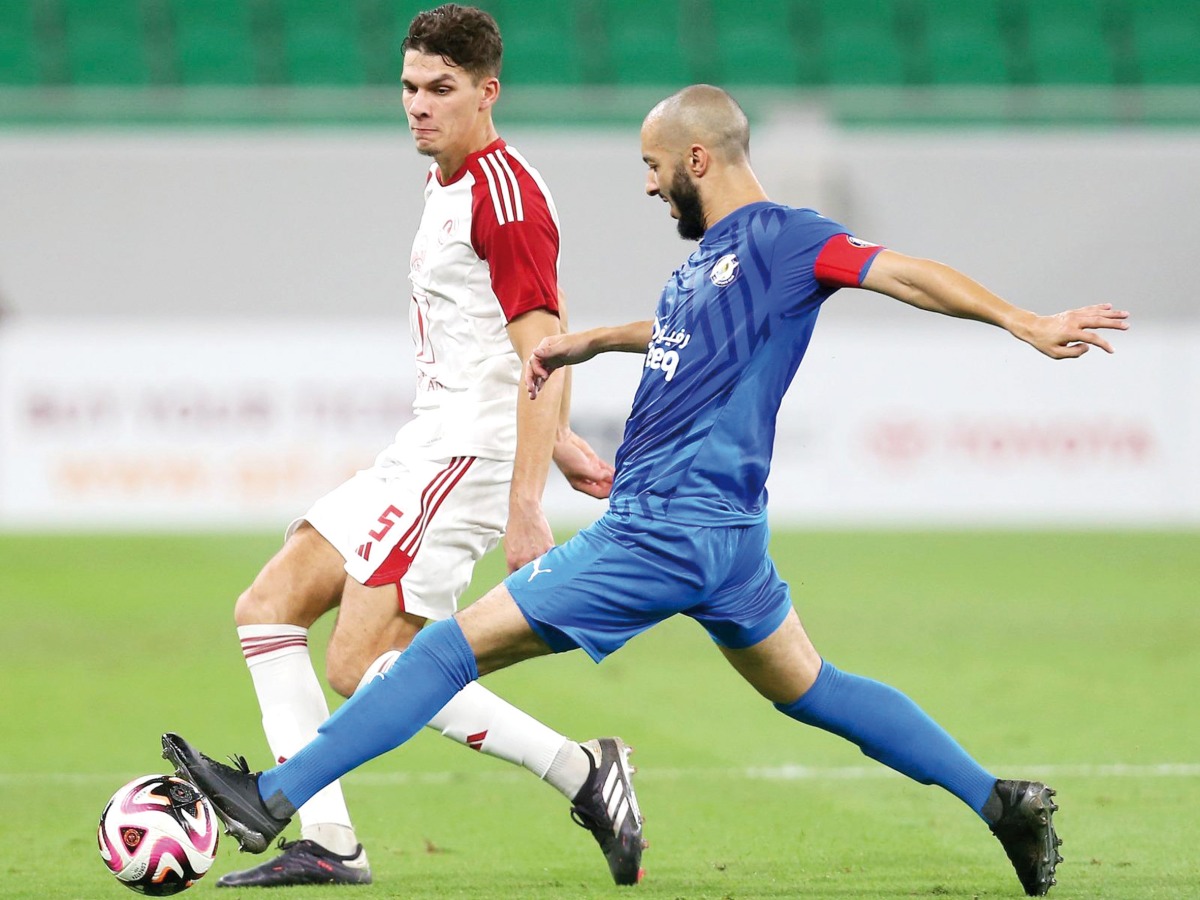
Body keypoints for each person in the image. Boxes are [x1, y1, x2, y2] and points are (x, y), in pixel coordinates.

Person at [163, 84, 1129, 896]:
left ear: (698, 159)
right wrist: (593, 339)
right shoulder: (705, 266)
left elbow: (902, 273)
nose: (648, 183)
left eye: (652, 166)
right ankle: (1004, 804)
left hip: (657, 534)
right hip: (728, 540)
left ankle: (278, 800)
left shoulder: (793, 240)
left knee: (442, 652)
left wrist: (1020, 320)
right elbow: (680, 338)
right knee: (813, 689)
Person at [211, 4, 644, 889]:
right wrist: (562, 442)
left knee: (363, 664)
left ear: (487, 92)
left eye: (440, 89)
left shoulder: (505, 196)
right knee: (268, 605)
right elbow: (505, 345)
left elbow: (548, 347)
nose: (418, 105)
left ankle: (579, 770)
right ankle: (327, 840)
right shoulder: (448, 180)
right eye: (409, 86)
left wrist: (528, 497)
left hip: (469, 458)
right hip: (427, 441)